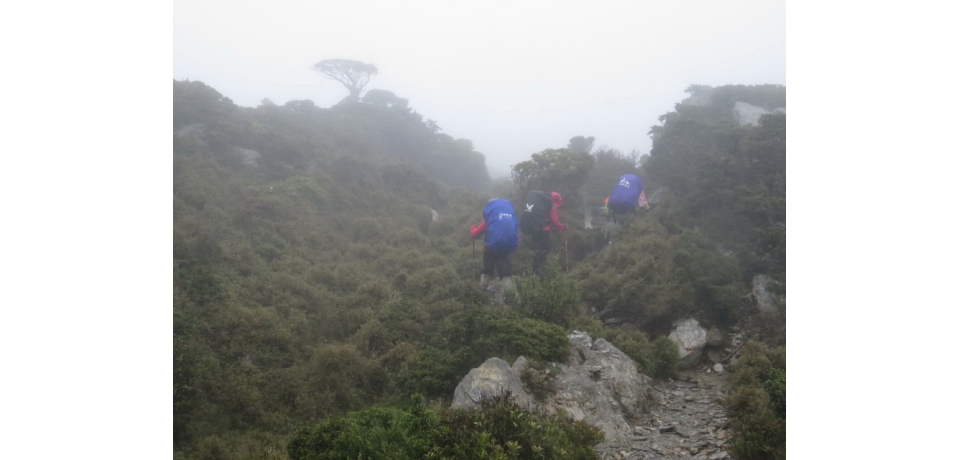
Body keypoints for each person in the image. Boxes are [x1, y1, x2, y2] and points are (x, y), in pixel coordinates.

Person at [470, 198, 519, 290]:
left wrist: (472, 227)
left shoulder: (489, 221)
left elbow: (475, 234)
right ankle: (510, 293)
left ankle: (482, 290)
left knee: (487, 269)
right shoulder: (511, 220)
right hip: (505, 247)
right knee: (504, 271)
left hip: (490, 248)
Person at [519, 190, 566, 276]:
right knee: (543, 250)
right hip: (543, 230)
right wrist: (564, 227)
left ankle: (535, 271)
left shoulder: (540, 202)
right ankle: (538, 272)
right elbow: (555, 222)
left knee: (539, 249)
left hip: (533, 228)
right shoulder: (550, 205)